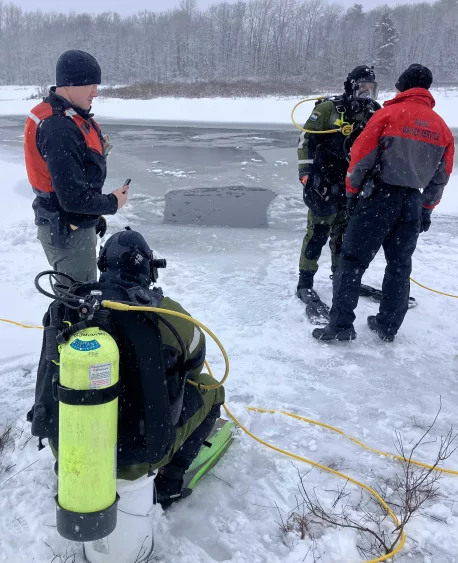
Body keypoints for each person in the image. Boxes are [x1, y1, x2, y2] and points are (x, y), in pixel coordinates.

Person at [28, 228, 225, 509]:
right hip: (137, 457)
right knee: (212, 388)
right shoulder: (168, 314)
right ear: (148, 268)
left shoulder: (68, 306)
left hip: (68, 447)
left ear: (103, 264)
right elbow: (194, 367)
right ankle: (168, 484)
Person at [312, 64, 455, 342]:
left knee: (352, 261)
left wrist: (352, 193)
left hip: (379, 197)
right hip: (412, 201)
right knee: (400, 265)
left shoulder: (388, 115)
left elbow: (360, 157)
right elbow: (441, 177)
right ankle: (388, 325)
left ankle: (340, 326)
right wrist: (426, 208)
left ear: (402, 85)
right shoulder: (441, 128)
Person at [24, 50, 129, 284]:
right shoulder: (58, 128)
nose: (95, 92)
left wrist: (93, 217)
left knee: (77, 299)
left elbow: (74, 185)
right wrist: (112, 203)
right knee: (79, 304)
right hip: (66, 229)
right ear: (69, 84)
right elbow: (72, 199)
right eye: (90, 84)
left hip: (72, 223)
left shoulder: (67, 116)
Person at [296, 65, 380, 304]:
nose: (366, 94)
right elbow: (305, 140)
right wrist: (307, 174)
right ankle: (305, 281)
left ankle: (340, 276)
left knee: (345, 235)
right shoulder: (328, 109)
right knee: (317, 234)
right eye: (362, 88)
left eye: (371, 89)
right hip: (324, 182)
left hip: (353, 186)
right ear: (351, 87)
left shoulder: (374, 112)